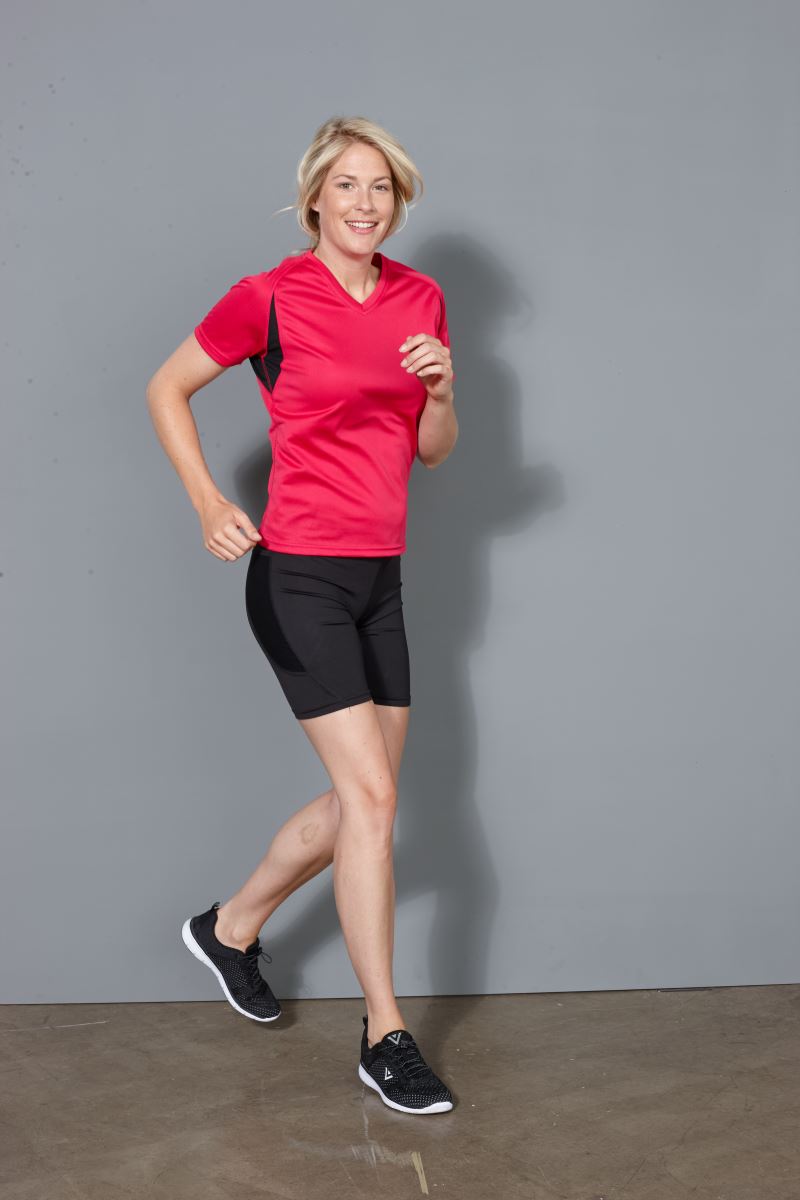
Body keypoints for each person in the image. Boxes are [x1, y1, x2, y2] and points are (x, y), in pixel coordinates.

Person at [145, 116, 458, 1116]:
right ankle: (384, 1035)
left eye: (382, 188)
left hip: (379, 580)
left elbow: (432, 448)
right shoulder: (270, 296)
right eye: (348, 185)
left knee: (362, 805)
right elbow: (167, 387)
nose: (365, 203)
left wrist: (441, 391)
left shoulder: (420, 297)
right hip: (298, 577)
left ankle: (229, 927)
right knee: (372, 802)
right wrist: (207, 501)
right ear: (314, 196)